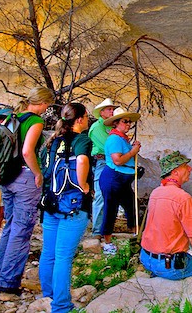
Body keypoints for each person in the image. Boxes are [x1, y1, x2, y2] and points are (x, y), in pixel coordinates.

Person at [0, 86, 55, 295]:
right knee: (21, 230)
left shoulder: (14, 117)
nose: (47, 109)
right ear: (43, 102)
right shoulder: (35, 121)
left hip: (8, 177)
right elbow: (28, 151)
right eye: (48, 105)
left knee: (9, 227)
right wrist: (38, 173)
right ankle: (9, 282)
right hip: (25, 179)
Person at [39, 103, 92, 313]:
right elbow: (81, 160)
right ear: (79, 119)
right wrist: (84, 185)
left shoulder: (53, 141)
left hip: (51, 203)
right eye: (86, 117)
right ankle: (61, 306)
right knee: (63, 256)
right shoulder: (81, 140)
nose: (87, 120)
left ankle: (48, 295)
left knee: (48, 252)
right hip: (73, 205)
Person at [140, 151, 192, 280]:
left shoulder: (156, 192)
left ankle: (157, 271)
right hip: (169, 265)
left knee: (189, 258)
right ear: (175, 172)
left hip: (146, 258)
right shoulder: (183, 198)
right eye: (185, 166)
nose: (190, 169)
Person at [99, 107, 141, 255]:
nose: (128, 124)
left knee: (131, 206)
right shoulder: (114, 139)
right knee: (111, 209)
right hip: (114, 177)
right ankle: (107, 243)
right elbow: (118, 160)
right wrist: (133, 151)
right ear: (116, 123)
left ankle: (135, 235)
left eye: (129, 122)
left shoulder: (122, 138)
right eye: (125, 121)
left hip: (122, 179)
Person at [87, 98, 118, 238]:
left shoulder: (111, 127)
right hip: (103, 161)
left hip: (112, 162)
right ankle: (97, 231)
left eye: (112, 109)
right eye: (109, 109)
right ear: (101, 112)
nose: (112, 111)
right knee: (100, 195)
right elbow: (109, 146)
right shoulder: (97, 127)